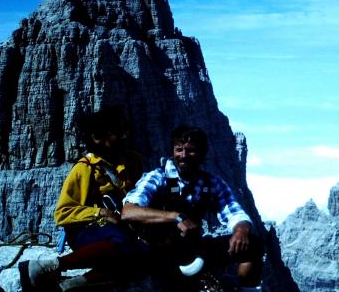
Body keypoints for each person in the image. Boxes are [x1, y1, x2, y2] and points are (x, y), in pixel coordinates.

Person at [122, 125, 264, 292]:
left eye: (190, 150)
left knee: (253, 245)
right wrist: (177, 216)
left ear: (202, 153)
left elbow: (235, 213)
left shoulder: (212, 183)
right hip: (158, 252)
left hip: (193, 248)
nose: (183, 156)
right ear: (172, 152)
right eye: (179, 150)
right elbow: (129, 212)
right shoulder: (157, 177)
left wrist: (241, 231)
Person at [19, 107, 146, 292]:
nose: (124, 136)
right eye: (117, 132)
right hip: (86, 231)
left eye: (124, 130)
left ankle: (71, 285)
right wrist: (100, 212)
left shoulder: (132, 161)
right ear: (98, 137)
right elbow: (63, 213)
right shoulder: (84, 169)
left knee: (142, 255)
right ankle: (51, 265)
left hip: (121, 227)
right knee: (123, 244)